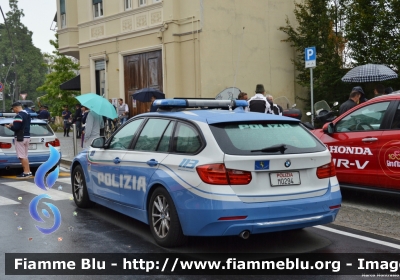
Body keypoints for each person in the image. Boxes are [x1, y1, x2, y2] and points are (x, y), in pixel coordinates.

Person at [5, 102, 32, 178]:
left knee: (21, 156)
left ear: (16, 107)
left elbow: (16, 128)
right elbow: (23, 124)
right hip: (27, 136)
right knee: (25, 156)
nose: (13, 111)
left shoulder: (18, 115)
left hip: (20, 138)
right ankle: (28, 171)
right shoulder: (27, 114)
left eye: (13, 109)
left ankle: (26, 172)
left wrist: (9, 126)